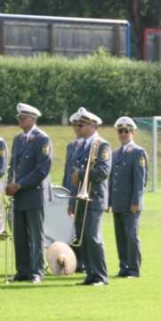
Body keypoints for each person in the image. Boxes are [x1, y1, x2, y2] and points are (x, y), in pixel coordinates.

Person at [5, 103, 53, 284]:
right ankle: (23, 270)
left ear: (32, 119)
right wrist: (10, 184)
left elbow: (42, 170)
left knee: (36, 234)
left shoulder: (42, 139)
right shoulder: (18, 139)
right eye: (18, 117)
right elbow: (14, 166)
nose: (19, 120)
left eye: (23, 117)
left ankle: (36, 271)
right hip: (19, 195)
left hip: (34, 193)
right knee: (19, 235)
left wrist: (19, 185)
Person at [69, 107, 111, 286]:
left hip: (94, 197)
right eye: (79, 124)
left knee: (93, 237)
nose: (79, 127)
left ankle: (101, 275)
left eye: (83, 124)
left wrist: (81, 172)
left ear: (93, 126)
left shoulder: (102, 145)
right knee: (83, 238)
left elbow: (103, 171)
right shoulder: (81, 145)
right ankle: (91, 274)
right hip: (81, 199)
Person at [109, 116, 148, 278]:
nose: (123, 134)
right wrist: (109, 201)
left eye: (127, 131)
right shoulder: (115, 153)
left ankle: (133, 268)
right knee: (120, 237)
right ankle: (123, 266)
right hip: (118, 202)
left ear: (133, 133)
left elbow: (140, 180)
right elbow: (112, 180)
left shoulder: (138, 152)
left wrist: (136, 201)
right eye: (121, 131)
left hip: (131, 203)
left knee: (131, 236)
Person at [62, 112, 85, 273]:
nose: (77, 128)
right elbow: (67, 172)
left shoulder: (90, 145)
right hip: (71, 192)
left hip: (84, 193)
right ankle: (74, 261)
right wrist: (65, 192)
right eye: (74, 125)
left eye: (80, 124)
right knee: (71, 229)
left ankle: (84, 262)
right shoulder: (71, 146)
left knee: (84, 229)